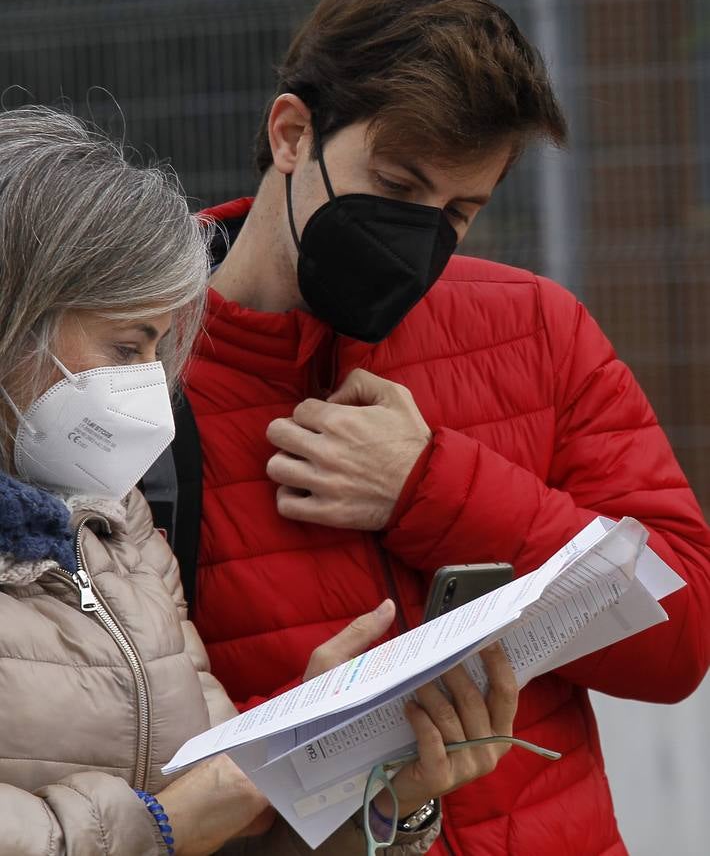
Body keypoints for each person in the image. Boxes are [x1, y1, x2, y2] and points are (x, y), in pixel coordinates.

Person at [180, 0, 710, 855]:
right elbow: (112, 751)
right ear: (292, 134)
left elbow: (681, 634)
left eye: (461, 209)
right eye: (396, 185)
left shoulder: (536, 328)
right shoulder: (136, 371)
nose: (420, 234)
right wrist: (321, 732)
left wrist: (428, 489)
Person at [0, 106, 521, 856]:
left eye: (158, 350)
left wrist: (362, 782)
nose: (148, 389)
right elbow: (186, 819)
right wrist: (165, 828)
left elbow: (227, 827)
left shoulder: (120, 531)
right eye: (124, 344)